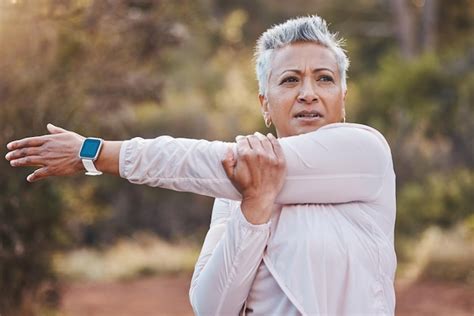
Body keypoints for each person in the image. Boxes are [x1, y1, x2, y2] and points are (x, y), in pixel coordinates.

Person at [5, 15, 396, 315]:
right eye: (290, 80)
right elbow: (212, 306)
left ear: (342, 98)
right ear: (264, 103)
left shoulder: (365, 153)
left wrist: (94, 152)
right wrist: (254, 210)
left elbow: (204, 160)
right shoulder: (236, 195)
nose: (308, 94)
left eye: (324, 79)